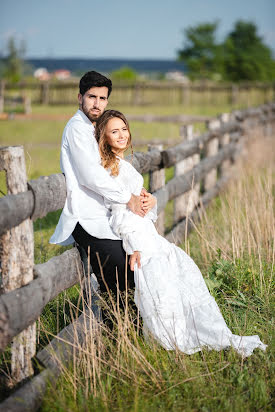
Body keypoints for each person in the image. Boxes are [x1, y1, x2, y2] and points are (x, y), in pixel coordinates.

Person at [94, 109, 267, 357]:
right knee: (161, 290)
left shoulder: (124, 165)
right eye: (114, 131)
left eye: (124, 129)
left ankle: (180, 335)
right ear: (104, 138)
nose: (121, 135)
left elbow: (139, 208)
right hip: (140, 240)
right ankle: (168, 340)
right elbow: (120, 216)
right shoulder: (112, 170)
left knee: (181, 278)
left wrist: (150, 202)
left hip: (149, 236)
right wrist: (134, 248)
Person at [50, 71, 156, 311]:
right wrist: (128, 198)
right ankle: (118, 336)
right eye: (91, 97)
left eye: (102, 98)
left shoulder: (95, 127)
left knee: (131, 275)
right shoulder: (77, 128)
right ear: (80, 97)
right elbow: (90, 176)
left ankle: (129, 334)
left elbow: (113, 169)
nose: (97, 104)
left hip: (106, 217)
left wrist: (141, 194)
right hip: (86, 217)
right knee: (121, 277)